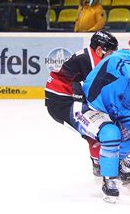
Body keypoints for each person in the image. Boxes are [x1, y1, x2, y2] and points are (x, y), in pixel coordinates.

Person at [79, 38, 130, 203]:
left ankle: (117, 167)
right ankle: (109, 180)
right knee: (111, 134)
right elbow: (121, 65)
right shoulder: (118, 58)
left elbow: (126, 107)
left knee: (129, 143)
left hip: (109, 113)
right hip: (90, 107)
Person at [45, 31, 119, 177]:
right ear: (99, 50)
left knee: (97, 128)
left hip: (65, 98)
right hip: (62, 102)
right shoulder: (91, 60)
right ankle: (105, 166)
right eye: (110, 52)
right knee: (97, 128)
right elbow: (99, 91)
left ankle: (99, 164)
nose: (112, 55)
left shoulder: (90, 55)